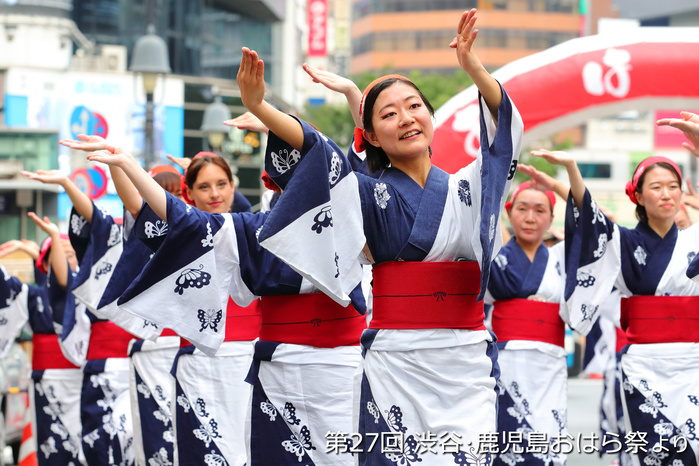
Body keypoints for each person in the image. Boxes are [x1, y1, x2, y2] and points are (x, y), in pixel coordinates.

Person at [238, 9, 522, 464]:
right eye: (389, 115)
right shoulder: (368, 192)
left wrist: (474, 69)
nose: (406, 118)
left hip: (465, 360)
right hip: (398, 361)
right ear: (371, 134)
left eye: (414, 107)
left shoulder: (470, 185)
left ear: (430, 117)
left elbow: (501, 137)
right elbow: (319, 153)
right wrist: (261, 108)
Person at [536, 146, 699, 464]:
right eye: (656, 187)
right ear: (637, 196)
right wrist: (572, 169)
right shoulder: (622, 241)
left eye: (673, 186)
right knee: (656, 453)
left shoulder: (694, 240)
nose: (667, 194)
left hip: (694, 362)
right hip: (645, 365)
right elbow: (591, 220)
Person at [484, 166, 570, 466]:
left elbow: (594, 226)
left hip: (550, 362)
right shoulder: (493, 257)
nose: (530, 218)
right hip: (506, 363)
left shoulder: (563, 257)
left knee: (547, 444)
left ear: (551, 217)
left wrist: (560, 182)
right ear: (509, 212)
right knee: (506, 439)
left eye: (539, 210)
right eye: (522, 209)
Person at [0, 233, 86, 465]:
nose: (69, 262)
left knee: (87, 445)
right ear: (46, 263)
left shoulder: (90, 292)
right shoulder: (34, 295)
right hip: (46, 381)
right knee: (50, 446)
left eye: (72, 256)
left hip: (84, 380)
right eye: (62, 256)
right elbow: (7, 287)